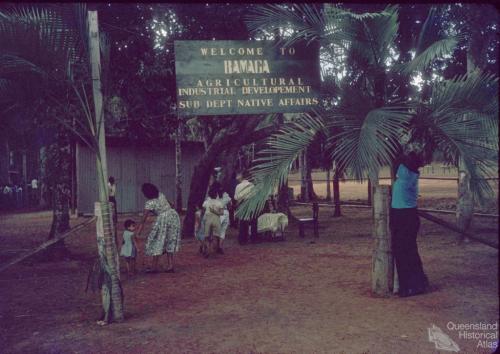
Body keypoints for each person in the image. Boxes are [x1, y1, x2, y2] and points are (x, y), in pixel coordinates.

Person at [390, 151, 429, 297]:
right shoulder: (411, 173)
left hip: (402, 216)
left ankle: (408, 287)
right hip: (408, 216)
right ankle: (417, 283)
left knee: (402, 253)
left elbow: (394, 154)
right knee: (410, 251)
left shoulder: (405, 174)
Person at [136, 183, 181, 273]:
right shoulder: (161, 195)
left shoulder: (149, 203)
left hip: (163, 219)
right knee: (170, 240)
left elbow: (143, 220)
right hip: (173, 216)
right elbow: (171, 204)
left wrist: (138, 232)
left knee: (157, 240)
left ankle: (154, 267)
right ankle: (170, 265)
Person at [234, 171, 258, 244]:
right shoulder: (251, 185)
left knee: (242, 222)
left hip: (242, 203)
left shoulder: (238, 186)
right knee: (253, 221)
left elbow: (236, 197)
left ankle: (242, 239)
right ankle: (253, 238)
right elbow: (254, 194)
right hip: (251, 203)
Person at [202, 187, 224, 258]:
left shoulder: (206, 202)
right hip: (216, 219)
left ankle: (207, 249)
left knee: (206, 236)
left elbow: (203, 211)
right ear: (216, 195)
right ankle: (213, 249)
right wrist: (215, 211)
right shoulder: (219, 203)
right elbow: (222, 213)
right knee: (215, 236)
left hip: (208, 219)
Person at [213, 182, 231, 254]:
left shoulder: (214, 195)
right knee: (223, 231)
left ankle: (216, 246)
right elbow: (230, 204)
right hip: (225, 212)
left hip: (217, 213)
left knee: (216, 231)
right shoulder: (226, 194)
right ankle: (220, 247)